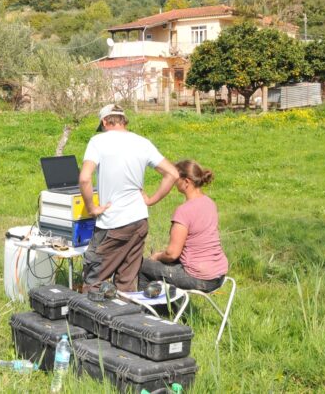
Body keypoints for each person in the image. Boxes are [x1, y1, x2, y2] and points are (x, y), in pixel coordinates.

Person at [79, 104, 180, 292]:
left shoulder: (98, 141)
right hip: (139, 222)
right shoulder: (143, 142)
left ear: (104, 122)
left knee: (93, 280)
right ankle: (124, 319)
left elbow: (85, 178)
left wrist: (92, 208)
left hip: (112, 224)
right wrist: (151, 201)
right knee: (126, 282)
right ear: (124, 120)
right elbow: (172, 174)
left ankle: (87, 319)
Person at [138, 159, 228, 293]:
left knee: (141, 266)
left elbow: (172, 254)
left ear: (187, 182)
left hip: (200, 278)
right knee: (161, 266)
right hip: (218, 274)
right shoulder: (209, 203)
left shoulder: (184, 211)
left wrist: (156, 256)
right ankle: (170, 306)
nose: (174, 182)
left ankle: (151, 310)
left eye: (176, 179)